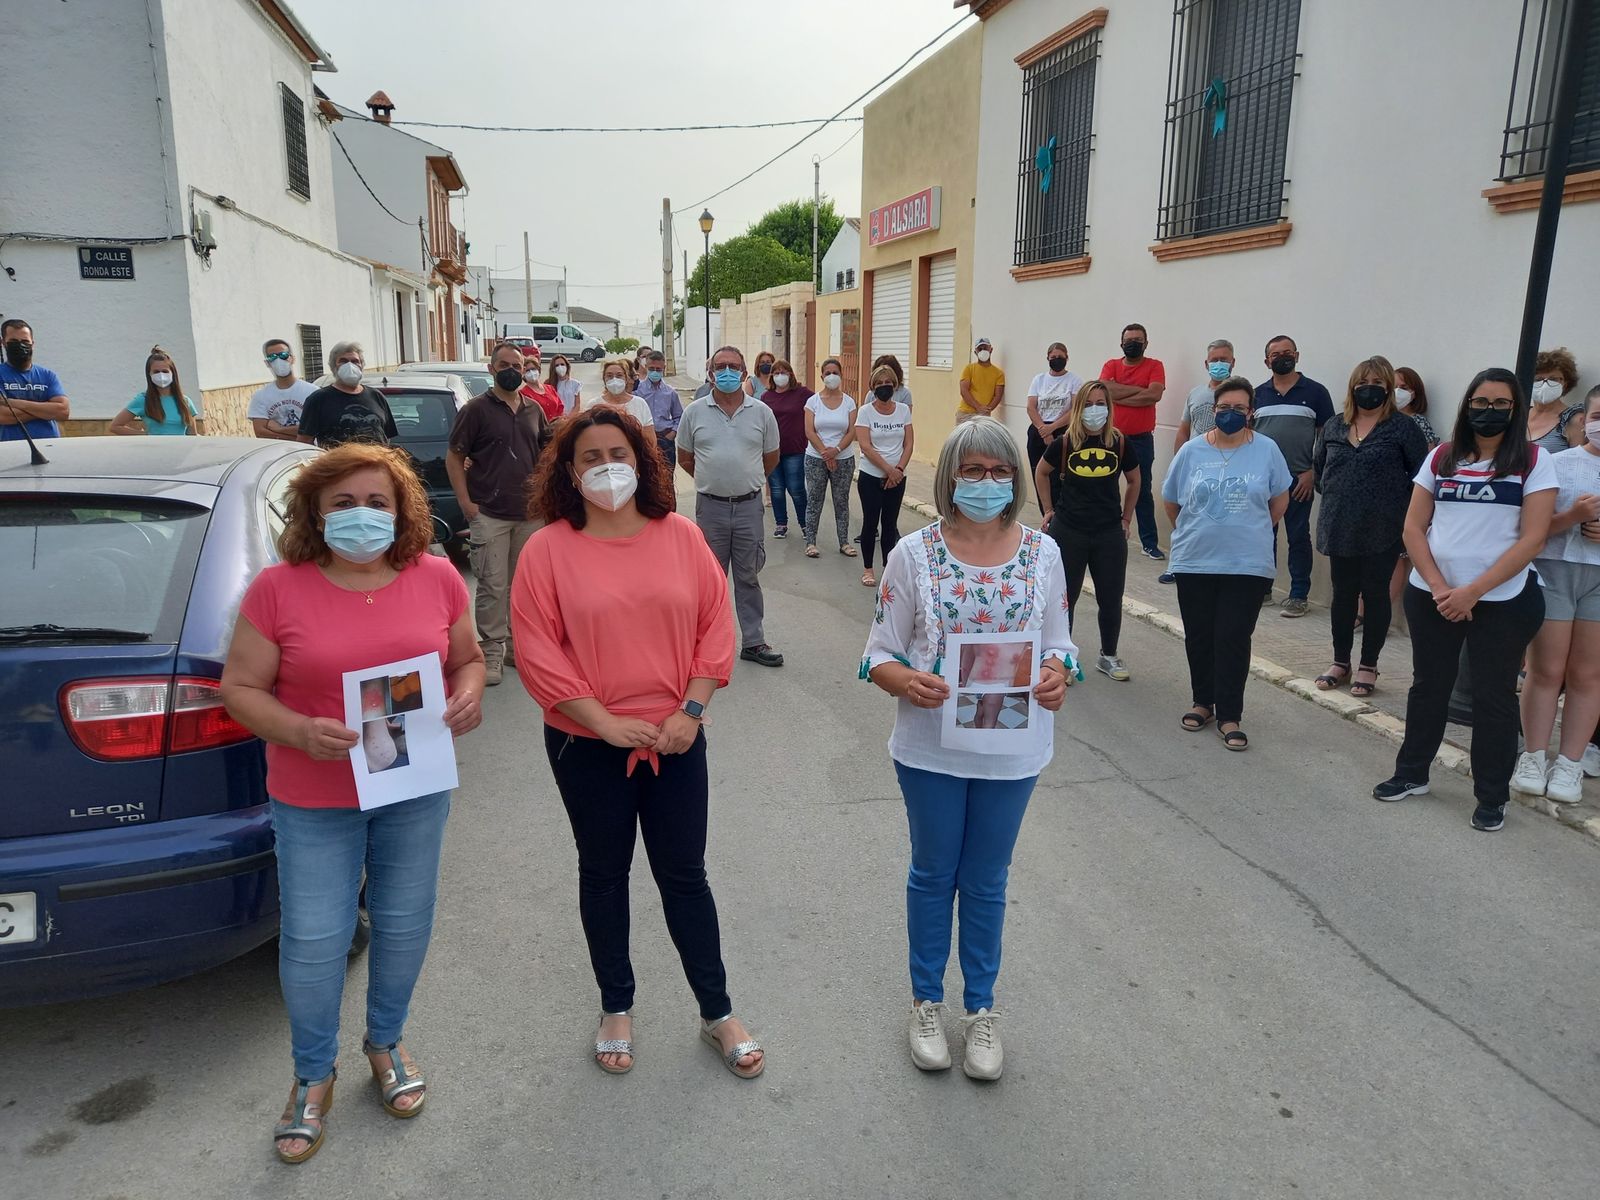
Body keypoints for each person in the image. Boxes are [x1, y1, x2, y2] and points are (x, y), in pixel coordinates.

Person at [220, 443, 485, 1165]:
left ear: (402, 511)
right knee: (314, 940)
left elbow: (466, 658)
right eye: (342, 503)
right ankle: (312, 1075)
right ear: (314, 512)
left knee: (403, 925)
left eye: (377, 502)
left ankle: (385, 1042)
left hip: (412, 789)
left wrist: (465, 695)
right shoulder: (279, 589)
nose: (361, 515)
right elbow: (239, 689)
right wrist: (300, 731)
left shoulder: (434, 577)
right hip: (313, 796)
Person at [509, 405, 763, 1079]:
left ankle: (718, 1011)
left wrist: (691, 711)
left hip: (679, 738)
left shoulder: (680, 537)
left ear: (642, 460)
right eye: (589, 457)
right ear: (569, 471)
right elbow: (537, 652)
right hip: (585, 743)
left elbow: (716, 626)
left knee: (685, 877)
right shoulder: (546, 550)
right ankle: (615, 1005)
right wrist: (603, 722)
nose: (605, 467)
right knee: (604, 873)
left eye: (617, 452)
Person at [862, 417, 1075, 1081]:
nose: (986, 482)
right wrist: (906, 679)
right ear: (950, 475)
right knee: (933, 874)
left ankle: (981, 1011)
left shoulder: (1043, 553)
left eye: (998, 470)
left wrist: (1059, 673)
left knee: (986, 881)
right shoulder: (912, 555)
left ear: (1016, 477)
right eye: (972, 470)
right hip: (930, 750)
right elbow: (876, 655)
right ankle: (927, 1002)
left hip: (1012, 754)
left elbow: (1061, 643)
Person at [1372, 368, 1557, 832]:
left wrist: (1473, 590)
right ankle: (1411, 773)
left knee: (1494, 697)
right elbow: (1413, 528)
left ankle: (1492, 796)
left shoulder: (1534, 460)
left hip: (1505, 599)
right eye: (1480, 402)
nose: (1488, 412)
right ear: (1466, 405)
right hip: (1434, 595)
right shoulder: (1441, 457)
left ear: (1515, 410)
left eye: (1500, 404)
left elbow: (1533, 538)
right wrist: (1439, 587)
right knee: (1428, 687)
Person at [1162, 378, 1292, 751]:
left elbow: (1279, 499)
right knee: (1200, 635)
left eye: (1239, 409)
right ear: (1212, 411)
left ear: (1250, 413)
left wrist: (1251, 530)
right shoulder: (1190, 451)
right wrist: (1194, 531)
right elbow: (1171, 500)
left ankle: (1230, 714)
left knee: (1233, 637)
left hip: (1247, 564)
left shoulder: (1267, 450)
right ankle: (1203, 702)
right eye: (1224, 408)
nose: (1230, 414)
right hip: (1195, 561)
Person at [1311, 356, 1428, 698]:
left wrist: (1399, 509)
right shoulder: (1334, 425)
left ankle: (1368, 665)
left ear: (1388, 389)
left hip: (1383, 526)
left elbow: (1421, 476)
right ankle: (1340, 662)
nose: (1370, 390)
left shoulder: (1403, 428)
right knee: (1343, 595)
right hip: (1340, 523)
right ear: (1352, 387)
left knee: (1376, 594)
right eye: (1364, 383)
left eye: (1378, 384)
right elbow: (1320, 472)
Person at [446, 342, 554, 687]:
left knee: (523, 586)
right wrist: (466, 504)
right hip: (489, 512)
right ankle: (490, 652)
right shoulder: (476, 410)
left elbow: (545, 457)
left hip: (529, 513)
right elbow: (454, 457)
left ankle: (514, 649)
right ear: (491, 369)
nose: (512, 370)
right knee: (492, 585)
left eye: (518, 365)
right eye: (504, 364)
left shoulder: (534, 410)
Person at [1514, 384, 1600, 804]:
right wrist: (1574, 516)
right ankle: (1533, 755)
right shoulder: (1556, 463)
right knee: (1546, 669)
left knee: (1587, 674)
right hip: (1555, 572)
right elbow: (1532, 529)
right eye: (1598, 417)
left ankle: (1570, 764)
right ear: (1584, 418)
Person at [676, 346, 784, 668]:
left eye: (733, 366)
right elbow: (685, 457)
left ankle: (753, 641)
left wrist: (745, 480)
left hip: (749, 508)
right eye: (720, 366)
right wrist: (714, 481)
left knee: (748, 575)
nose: (726, 371)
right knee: (710, 579)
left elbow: (771, 457)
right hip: (711, 508)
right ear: (710, 373)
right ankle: (704, 645)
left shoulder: (761, 413)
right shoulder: (694, 412)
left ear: (744, 373)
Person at [1036, 380, 1140, 682]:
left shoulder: (1119, 443)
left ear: (1109, 407)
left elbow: (1135, 481)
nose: (1096, 409)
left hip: (1109, 532)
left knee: (1111, 597)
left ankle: (1108, 655)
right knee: (1064, 598)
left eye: (1101, 403)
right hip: (1069, 530)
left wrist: (1126, 519)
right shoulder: (1066, 443)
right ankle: (1061, 659)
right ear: (1079, 407)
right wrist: (1048, 510)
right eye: (1090, 403)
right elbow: (1042, 472)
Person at [1252, 335, 1334, 616]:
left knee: (1298, 536)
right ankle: (1263, 589)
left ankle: (1299, 595)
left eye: (1287, 352)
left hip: (1300, 478)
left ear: (1297, 356)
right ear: (1266, 361)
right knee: (1264, 534)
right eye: (1275, 354)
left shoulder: (1316, 393)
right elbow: (1248, 438)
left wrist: (1313, 472)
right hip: (1265, 480)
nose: (1282, 357)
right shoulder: (1257, 394)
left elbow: (1327, 439)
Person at [1099, 323, 1166, 562]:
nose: (1133, 343)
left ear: (1146, 343)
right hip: (1110, 438)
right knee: (1104, 487)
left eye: (1138, 340)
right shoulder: (1111, 365)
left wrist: (1119, 392)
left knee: (1142, 490)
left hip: (1141, 440)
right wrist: (1138, 391)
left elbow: (1154, 394)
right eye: (1129, 340)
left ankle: (1149, 543)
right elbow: (1105, 391)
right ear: (1121, 343)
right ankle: (1104, 536)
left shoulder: (1155, 366)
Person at [856, 364, 915, 588]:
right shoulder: (865, 412)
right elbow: (865, 446)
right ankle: (868, 569)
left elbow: (908, 443)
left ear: (895, 385)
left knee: (890, 524)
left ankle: (889, 569)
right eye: (879, 384)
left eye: (888, 383)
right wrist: (888, 470)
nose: (884, 387)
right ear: (872, 387)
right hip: (871, 476)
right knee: (871, 523)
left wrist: (898, 470)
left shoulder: (903, 410)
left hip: (898, 477)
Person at [802, 357, 858, 559]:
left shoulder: (849, 402)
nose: (832, 376)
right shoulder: (813, 402)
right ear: (822, 376)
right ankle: (811, 542)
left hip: (843, 458)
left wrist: (836, 450)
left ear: (841, 375)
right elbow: (809, 431)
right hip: (815, 458)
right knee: (814, 500)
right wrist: (825, 453)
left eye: (835, 372)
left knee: (841, 501)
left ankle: (844, 542)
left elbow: (852, 431)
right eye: (828, 373)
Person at [297, 341, 396, 448]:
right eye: (343, 361)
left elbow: (386, 437)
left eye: (355, 361)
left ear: (361, 366)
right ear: (333, 366)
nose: (350, 365)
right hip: (338, 463)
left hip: (375, 463)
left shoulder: (376, 396)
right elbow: (304, 442)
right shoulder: (318, 399)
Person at [1024, 342, 1085, 506]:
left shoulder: (1074, 380)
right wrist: (1044, 430)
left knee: (1060, 477)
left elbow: (1075, 409)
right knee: (1039, 474)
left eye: (1060, 357)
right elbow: (1031, 407)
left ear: (1067, 358)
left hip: (1063, 432)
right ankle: (1046, 515)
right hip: (1039, 431)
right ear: (1047, 358)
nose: (1057, 360)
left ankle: (1060, 517)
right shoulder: (1039, 379)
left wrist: (1053, 428)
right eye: (1053, 357)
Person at [760, 358, 812, 536]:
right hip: (772, 450)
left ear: (790, 374)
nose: (779, 375)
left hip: (795, 449)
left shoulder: (802, 393)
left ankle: (806, 525)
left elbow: (818, 406)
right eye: (776, 373)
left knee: (796, 488)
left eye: (783, 372)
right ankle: (781, 524)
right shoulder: (766, 397)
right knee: (776, 489)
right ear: (772, 376)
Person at [0, 318, 69, 441]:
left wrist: (12, 403)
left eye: (25, 341)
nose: (20, 345)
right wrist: (45, 411)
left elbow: (63, 411)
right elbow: (3, 416)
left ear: (33, 343)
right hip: (9, 450)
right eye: (13, 341)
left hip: (50, 446)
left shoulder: (48, 375)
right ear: (3, 343)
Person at [110, 347, 202, 436]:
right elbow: (115, 426)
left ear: (173, 373)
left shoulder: (185, 401)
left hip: (181, 450)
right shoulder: (143, 400)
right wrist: (145, 435)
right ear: (149, 374)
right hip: (155, 450)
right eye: (156, 372)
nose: (161, 375)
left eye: (165, 371)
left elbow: (192, 435)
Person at [251, 338, 317, 440]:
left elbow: (317, 428)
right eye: (272, 357)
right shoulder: (260, 396)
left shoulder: (313, 392)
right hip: (278, 453)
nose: (278, 360)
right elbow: (261, 432)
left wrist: (280, 429)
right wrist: (300, 437)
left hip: (309, 452)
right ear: (267, 363)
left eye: (283, 355)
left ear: (292, 359)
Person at [1175, 339, 1235, 449]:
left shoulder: (1240, 395)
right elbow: (1184, 431)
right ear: (1206, 364)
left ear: (1233, 363)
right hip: (1196, 457)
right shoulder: (1195, 393)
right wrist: (1178, 459)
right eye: (1214, 360)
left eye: (1223, 360)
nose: (1219, 363)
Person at [583, 359, 657, 448]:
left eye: (619, 375)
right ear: (604, 380)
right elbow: (586, 438)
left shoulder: (640, 404)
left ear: (626, 379)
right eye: (609, 376)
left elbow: (650, 440)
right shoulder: (593, 405)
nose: (614, 379)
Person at [635, 349, 684, 470]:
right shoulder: (637, 391)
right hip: (643, 439)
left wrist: (672, 433)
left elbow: (679, 416)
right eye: (651, 369)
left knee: (667, 476)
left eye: (658, 369)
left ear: (664, 368)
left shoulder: (670, 392)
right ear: (645, 367)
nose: (655, 372)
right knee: (646, 476)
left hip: (665, 438)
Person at [1529, 346, 1584, 452]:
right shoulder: (1519, 416)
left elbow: (1578, 462)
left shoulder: (1573, 419)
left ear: (1565, 383)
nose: (1545, 384)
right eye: (1538, 379)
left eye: (1553, 379)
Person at [957, 337, 1005, 422]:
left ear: (991, 349)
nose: (983, 351)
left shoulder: (998, 373)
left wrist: (986, 410)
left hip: (984, 416)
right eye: (980, 349)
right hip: (966, 413)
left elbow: (998, 396)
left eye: (985, 348)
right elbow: (964, 391)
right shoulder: (969, 368)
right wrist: (978, 407)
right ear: (976, 352)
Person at [519, 345, 564, 423]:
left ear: (538, 370)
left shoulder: (550, 388)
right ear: (523, 374)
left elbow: (560, 407)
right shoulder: (523, 394)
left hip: (557, 428)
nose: (531, 372)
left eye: (533, 369)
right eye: (528, 371)